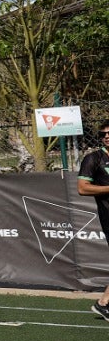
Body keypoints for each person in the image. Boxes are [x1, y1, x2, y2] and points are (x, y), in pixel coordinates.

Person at [79, 120, 109, 323]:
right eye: (103, 134)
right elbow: (82, 188)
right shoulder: (94, 159)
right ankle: (104, 303)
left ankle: (104, 303)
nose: (106, 136)